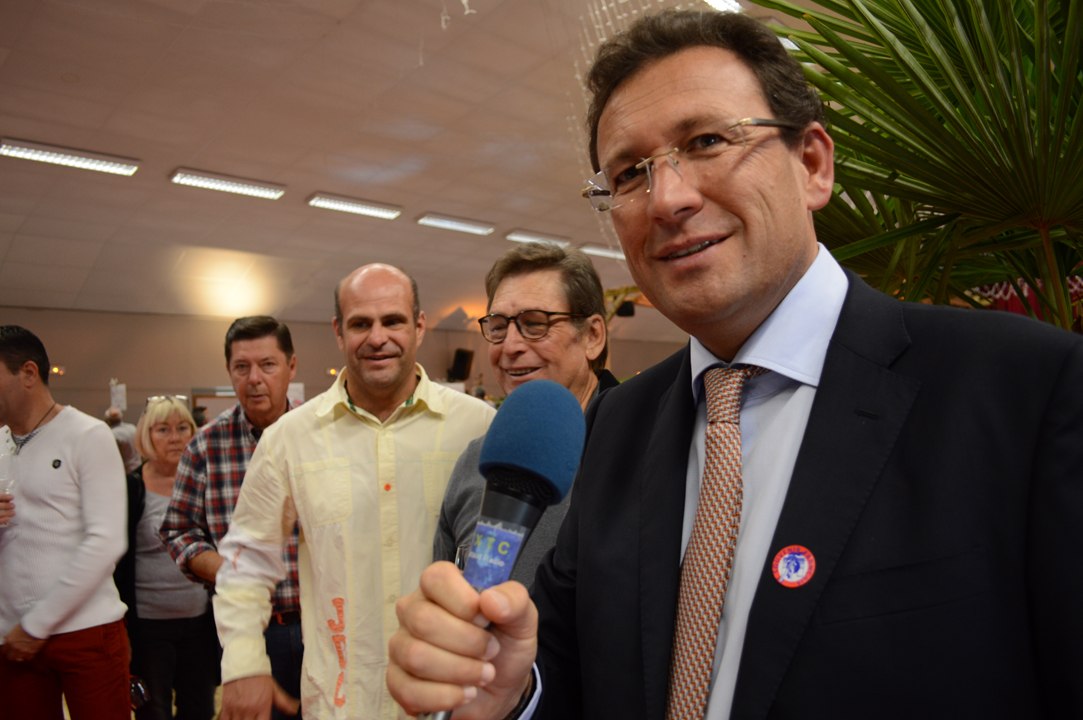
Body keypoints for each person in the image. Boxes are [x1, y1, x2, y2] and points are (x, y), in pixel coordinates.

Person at [386, 9, 1083, 720]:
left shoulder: (1024, 391)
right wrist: (514, 692)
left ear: (812, 163)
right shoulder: (621, 423)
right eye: (629, 174)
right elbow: (576, 667)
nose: (668, 199)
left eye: (708, 141)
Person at [213, 263, 496, 719]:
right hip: (342, 700)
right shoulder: (289, 439)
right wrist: (244, 663)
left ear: (419, 326)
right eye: (361, 323)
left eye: (393, 321)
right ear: (339, 332)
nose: (377, 337)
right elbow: (246, 563)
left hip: (452, 697)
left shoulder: (478, 426)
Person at [433, 242, 618, 585]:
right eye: (499, 326)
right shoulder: (478, 459)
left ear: (592, 336)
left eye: (535, 324)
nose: (511, 346)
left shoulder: (638, 448)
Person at [159, 315, 303, 720]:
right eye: (242, 367)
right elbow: (179, 531)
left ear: (291, 367)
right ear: (229, 371)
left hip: (326, 623)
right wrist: (232, 571)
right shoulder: (206, 446)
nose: (254, 378)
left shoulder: (320, 435)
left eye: (268, 365)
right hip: (248, 632)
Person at [0, 325, 131, 719]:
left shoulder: (87, 434)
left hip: (86, 632)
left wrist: (38, 623)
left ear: (27, 373)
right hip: (12, 637)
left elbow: (106, 542)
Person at [114, 395, 218, 720]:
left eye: (182, 428)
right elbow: (117, 562)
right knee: (153, 714)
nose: (175, 437)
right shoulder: (131, 488)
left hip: (200, 624)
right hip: (148, 628)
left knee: (199, 710)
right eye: (163, 429)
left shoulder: (206, 483)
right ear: (147, 435)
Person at [105, 406, 141, 473]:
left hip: (126, 472)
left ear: (107, 420)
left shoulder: (112, 434)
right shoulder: (132, 428)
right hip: (138, 468)